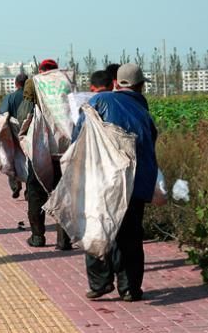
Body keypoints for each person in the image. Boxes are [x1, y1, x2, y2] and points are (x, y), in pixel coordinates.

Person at [73, 63, 158, 302]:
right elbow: (152, 140)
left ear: (115, 83)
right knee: (130, 235)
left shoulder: (100, 102)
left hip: (103, 179)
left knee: (97, 228)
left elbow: (79, 135)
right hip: (135, 181)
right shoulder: (143, 110)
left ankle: (100, 283)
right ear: (140, 86)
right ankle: (129, 288)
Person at [24, 59, 72, 250]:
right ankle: (64, 240)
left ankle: (38, 237)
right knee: (63, 193)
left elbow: (24, 113)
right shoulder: (67, 83)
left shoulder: (34, 83)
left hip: (40, 146)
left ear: (41, 70)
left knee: (35, 192)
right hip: (65, 146)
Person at [0, 73, 28, 198]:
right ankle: (29, 190)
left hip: (14, 134)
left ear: (16, 84)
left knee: (12, 158)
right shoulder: (32, 97)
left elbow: (3, 113)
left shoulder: (10, 98)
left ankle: (15, 185)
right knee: (30, 160)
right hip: (29, 134)